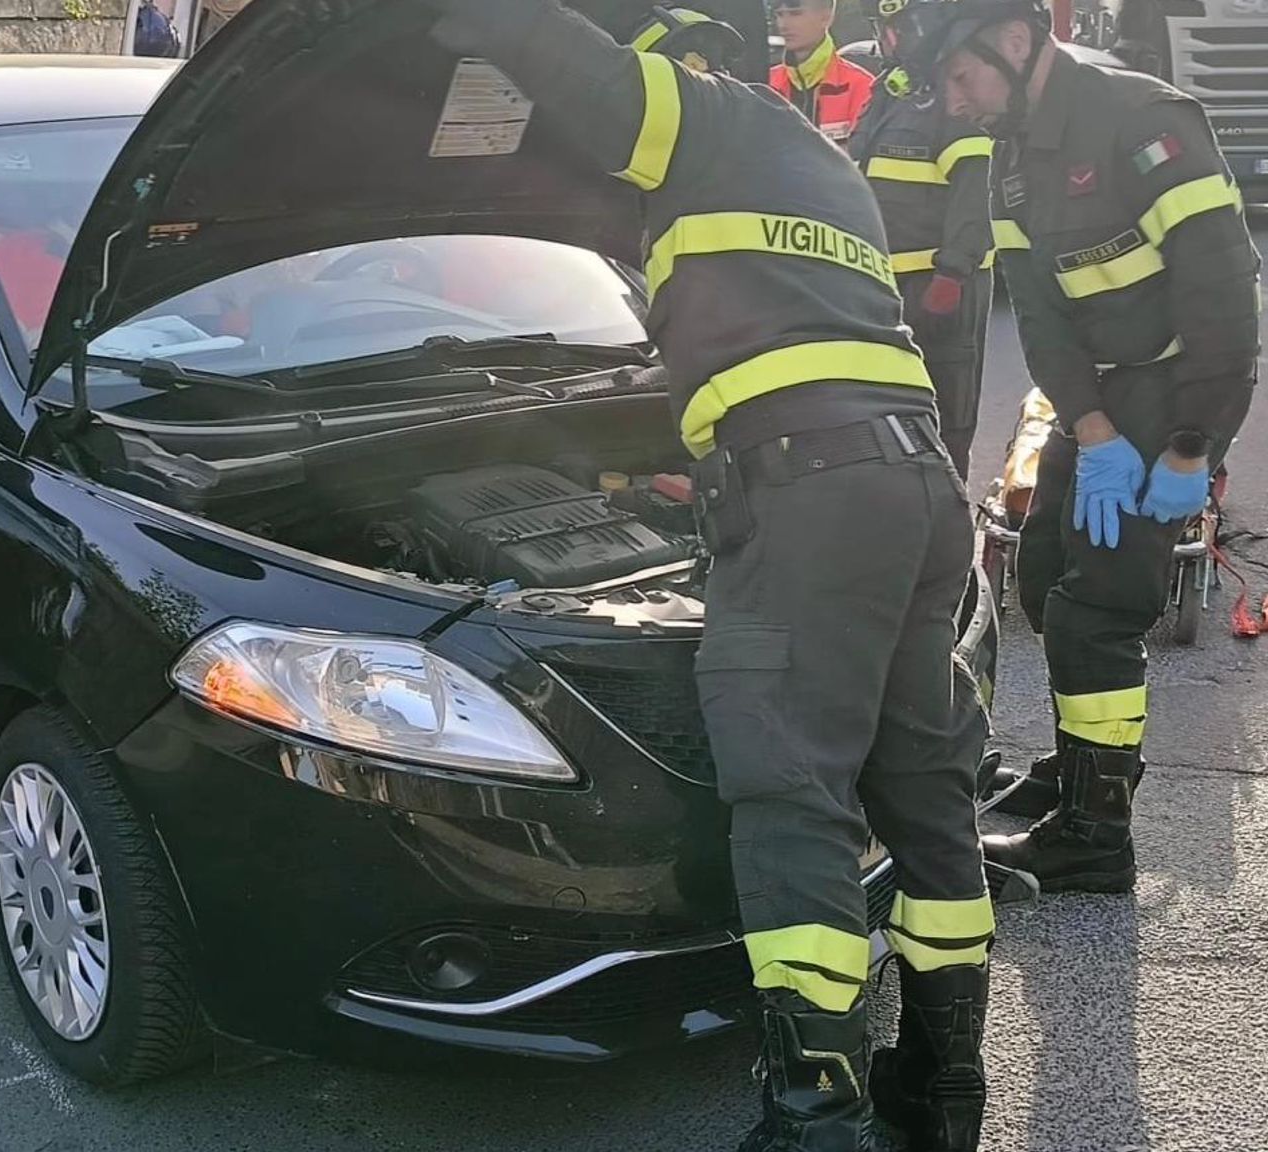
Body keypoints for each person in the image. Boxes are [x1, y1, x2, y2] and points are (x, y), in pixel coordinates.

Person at [417, 3, 993, 1148]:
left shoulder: (706, 114)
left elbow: (573, 66)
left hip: (815, 496)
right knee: (923, 793)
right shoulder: (811, 165)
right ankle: (936, 1091)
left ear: (685, 60)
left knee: (789, 795)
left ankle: (810, 1118)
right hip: (906, 487)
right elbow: (774, 331)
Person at [890, 0, 1260, 893]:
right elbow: (1045, 317)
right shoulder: (1009, 156)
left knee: (1100, 612)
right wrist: (1089, 430)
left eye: (962, 77)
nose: (954, 103)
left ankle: (1097, 835)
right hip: (1098, 397)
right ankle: (1084, 762)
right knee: (1048, 570)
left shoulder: (1146, 124)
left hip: (1173, 390)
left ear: (1017, 43)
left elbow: (1223, 300)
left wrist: (1190, 448)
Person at [847, 45, 995, 475]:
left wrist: (953, 272)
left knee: (945, 418)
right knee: (884, 416)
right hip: (880, 286)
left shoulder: (956, 91)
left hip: (939, 287)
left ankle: (946, 519)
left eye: (900, 26)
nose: (890, 37)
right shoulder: (890, 91)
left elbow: (977, 194)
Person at [770, 0, 878, 141]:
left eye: (795, 13)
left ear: (826, 17)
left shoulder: (862, 86)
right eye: (779, 14)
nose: (783, 24)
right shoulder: (767, 84)